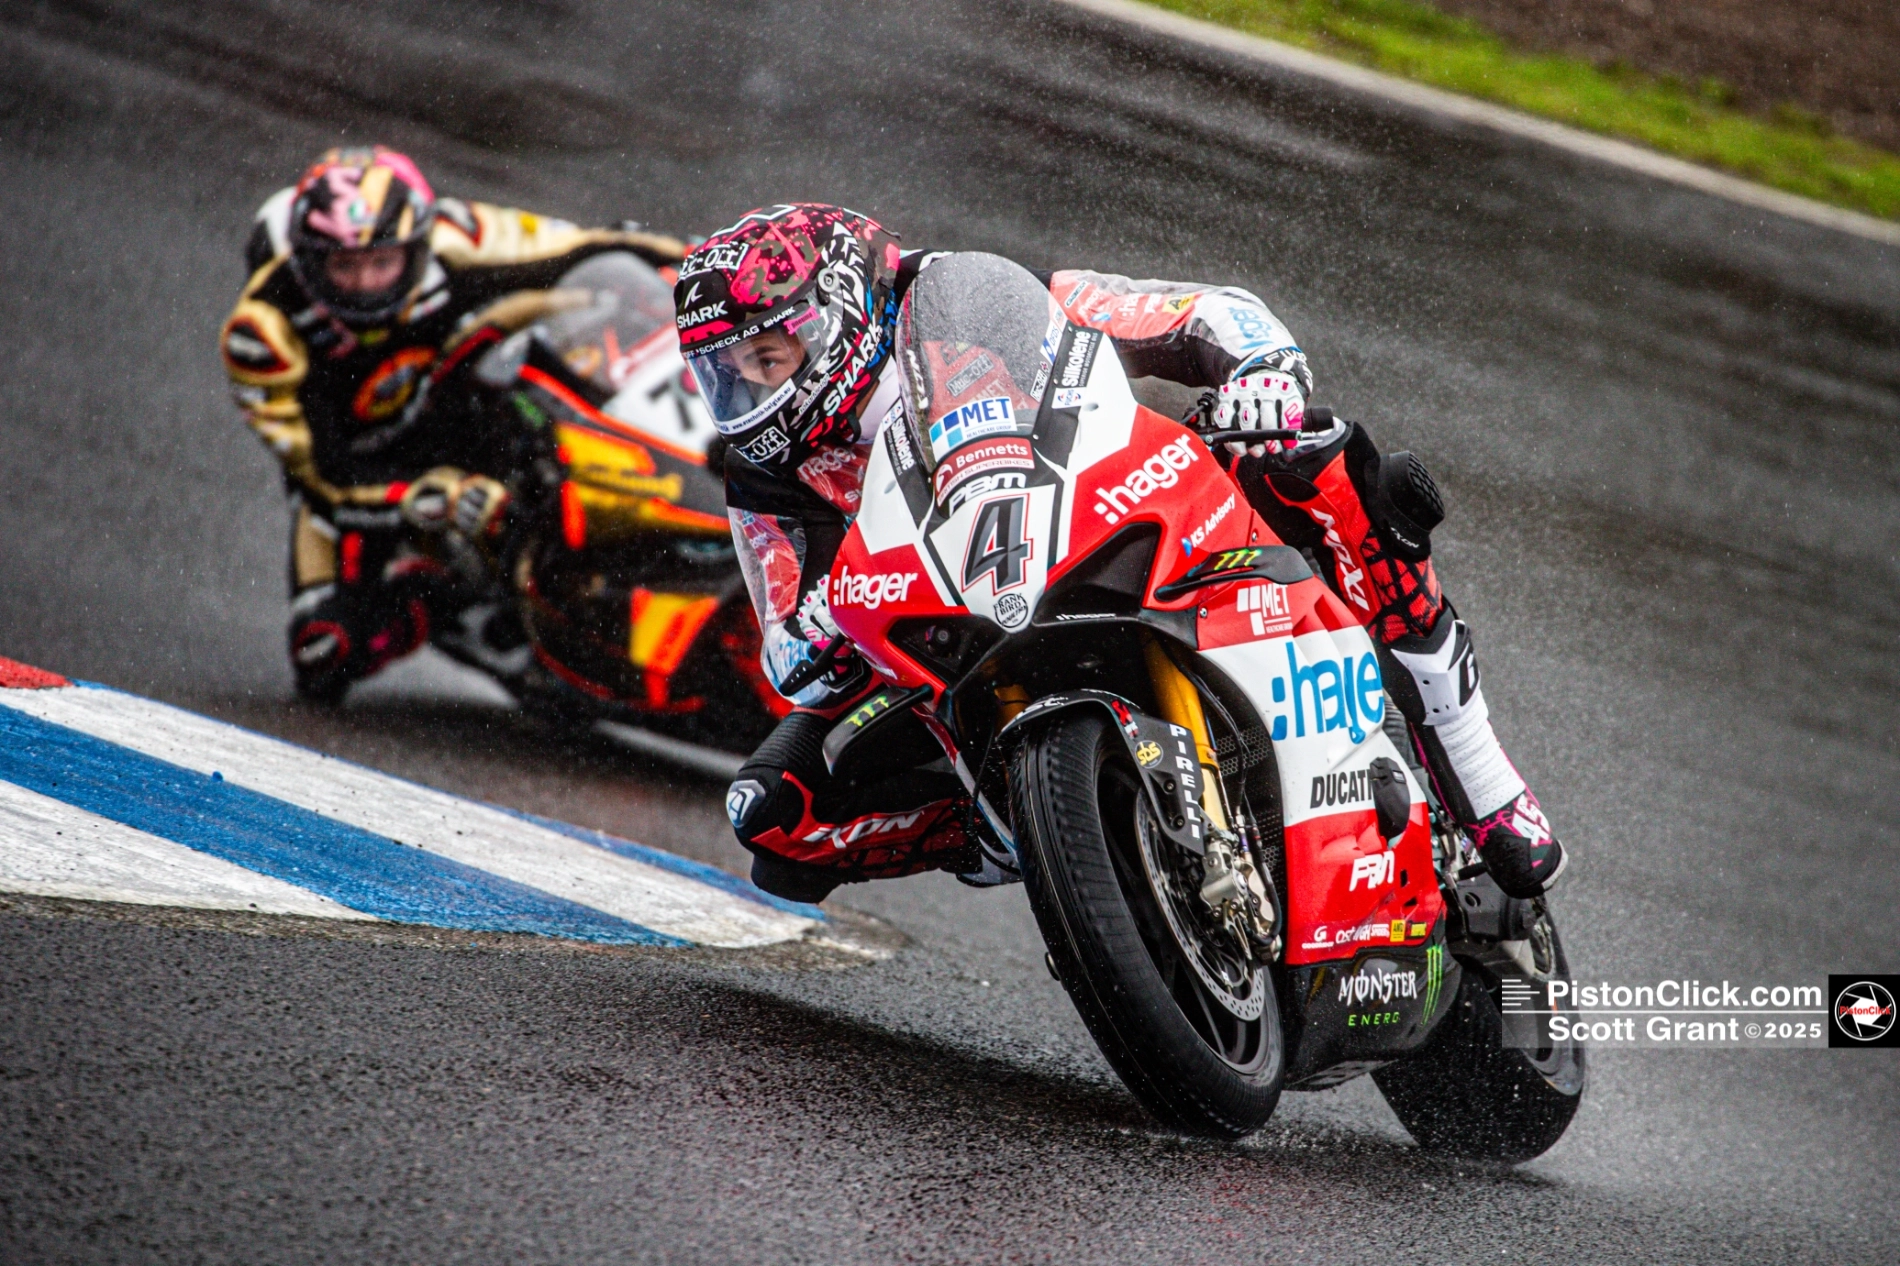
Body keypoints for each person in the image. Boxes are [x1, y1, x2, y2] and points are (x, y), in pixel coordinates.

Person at [676, 203, 1567, 904]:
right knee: (773, 814)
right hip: (953, 640)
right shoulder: (768, 474)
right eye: (730, 373)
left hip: (1123, 513)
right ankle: (1008, 828)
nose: (753, 389)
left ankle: (1467, 751)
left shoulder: (963, 295)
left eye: (767, 354)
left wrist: (1261, 379)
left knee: (1319, 455)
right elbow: (788, 651)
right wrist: (826, 618)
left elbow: (1213, 313)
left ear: (834, 310)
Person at [220, 146, 688, 702]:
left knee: (590, 319)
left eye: (382, 263)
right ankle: (438, 592)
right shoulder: (262, 336)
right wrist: (422, 494)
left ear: (417, 245)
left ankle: (620, 531)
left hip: (465, 411)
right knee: (326, 650)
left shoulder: (459, 237)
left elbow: (587, 245)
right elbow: (322, 476)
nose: (366, 284)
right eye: (344, 267)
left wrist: (709, 269)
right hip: (365, 474)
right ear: (308, 262)